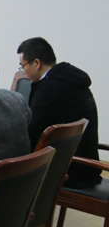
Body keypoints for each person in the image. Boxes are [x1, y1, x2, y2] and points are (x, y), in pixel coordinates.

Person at [18, 37, 101, 187]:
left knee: (6, 171)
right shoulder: (71, 79)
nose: (23, 71)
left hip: (70, 170)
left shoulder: (50, 87)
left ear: (36, 63)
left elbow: (32, 129)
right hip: (85, 167)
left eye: (23, 66)